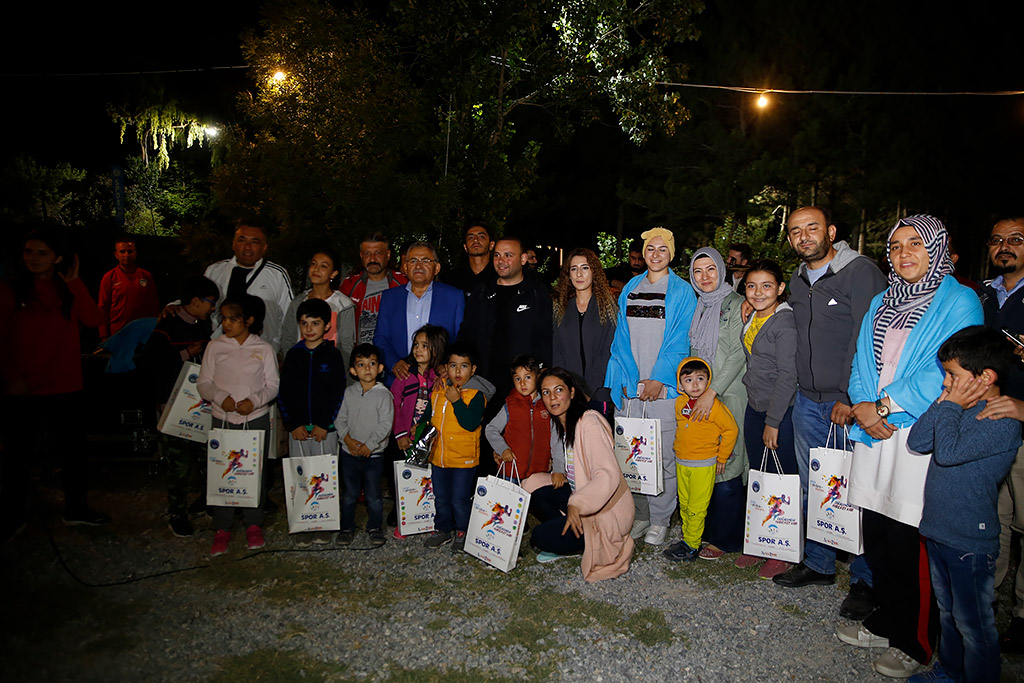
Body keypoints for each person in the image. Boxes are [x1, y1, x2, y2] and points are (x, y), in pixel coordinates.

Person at [836, 214, 982, 678]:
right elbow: (862, 357)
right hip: (873, 430)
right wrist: (863, 405)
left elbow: (950, 368)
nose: (903, 254)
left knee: (910, 538)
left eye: (915, 243)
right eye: (895, 247)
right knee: (877, 531)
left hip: (917, 433)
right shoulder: (883, 300)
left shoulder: (960, 300)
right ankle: (887, 617)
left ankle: (916, 641)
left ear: (937, 247)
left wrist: (883, 405)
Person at [773, 206, 886, 624]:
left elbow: (871, 337)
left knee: (855, 491)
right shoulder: (798, 280)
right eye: (795, 231)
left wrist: (849, 395)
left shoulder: (861, 272)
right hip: (807, 400)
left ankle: (865, 580)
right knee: (815, 487)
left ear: (831, 231)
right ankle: (819, 563)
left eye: (812, 229)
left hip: (846, 405)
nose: (803, 237)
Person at [906, 325, 1022, 683]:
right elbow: (919, 440)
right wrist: (944, 402)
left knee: (975, 625)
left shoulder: (1001, 420)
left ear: (985, 378)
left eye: (953, 376)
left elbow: (950, 451)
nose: (947, 383)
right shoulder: (953, 407)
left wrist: (951, 407)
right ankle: (950, 673)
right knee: (948, 612)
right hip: (940, 530)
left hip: (970, 541)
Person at [0, 229, 108, 530]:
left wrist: (74, 283)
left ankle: (76, 509)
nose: (33, 258)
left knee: (73, 453)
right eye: (29, 252)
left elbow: (93, 320)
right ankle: (12, 515)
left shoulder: (66, 289)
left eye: (42, 252)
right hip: (24, 388)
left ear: (57, 257)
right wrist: (11, 376)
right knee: (18, 455)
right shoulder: (11, 290)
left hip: (65, 385)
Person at [604, 227, 697, 546]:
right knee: (632, 459)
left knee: (662, 458)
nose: (655, 254)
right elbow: (621, 339)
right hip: (632, 391)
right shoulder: (631, 287)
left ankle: (660, 518)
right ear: (643, 253)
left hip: (663, 390)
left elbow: (680, 340)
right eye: (650, 249)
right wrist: (628, 378)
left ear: (672, 253)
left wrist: (660, 379)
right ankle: (641, 515)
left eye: (662, 249)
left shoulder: (682, 292)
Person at [522, 368, 634, 580]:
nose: (552, 397)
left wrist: (578, 503)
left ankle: (583, 538)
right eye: (546, 392)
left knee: (539, 536)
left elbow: (606, 474)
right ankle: (570, 527)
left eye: (558, 390)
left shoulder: (589, 422)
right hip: (582, 497)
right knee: (535, 490)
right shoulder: (563, 424)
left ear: (572, 392)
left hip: (606, 511)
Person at [197, 294, 280, 556]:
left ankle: (253, 523)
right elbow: (204, 383)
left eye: (233, 319)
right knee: (222, 470)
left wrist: (254, 401)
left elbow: (273, 385)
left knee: (253, 471)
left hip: (254, 419)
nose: (227, 324)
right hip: (222, 418)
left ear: (249, 320)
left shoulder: (264, 349)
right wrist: (222, 398)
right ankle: (222, 526)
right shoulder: (215, 347)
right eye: (223, 318)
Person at [139, 275, 219, 537]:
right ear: (195, 301)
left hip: (200, 406)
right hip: (174, 407)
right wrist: (186, 353)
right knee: (178, 463)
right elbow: (152, 364)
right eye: (210, 302)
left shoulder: (202, 325)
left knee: (207, 457)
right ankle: (177, 512)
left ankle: (206, 502)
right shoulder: (166, 326)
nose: (213, 308)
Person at [736, 259, 799, 578]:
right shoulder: (756, 316)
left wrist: (774, 421)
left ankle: (784, 550)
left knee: (783, 478)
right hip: (754, 406)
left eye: (766, 286)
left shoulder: (784, 323)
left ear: (780, 288)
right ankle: (760, 542)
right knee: (760, 475)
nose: (758, 292)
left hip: (779, 412)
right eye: (751, 286)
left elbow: (788, 375)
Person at [979, 216, 1024, 652]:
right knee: (996, 521)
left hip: (1022, 426)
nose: (1004, 246)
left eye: (1016, 240)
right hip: (985, 423)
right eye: (997, 240)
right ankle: (985, 603)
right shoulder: (986, 294)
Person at [685, 247, 748, 559]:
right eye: (698, 271)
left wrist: (713, 390)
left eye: (711, 269)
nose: (705, 277)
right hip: (702, 394)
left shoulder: (736, 304)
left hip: (728, 393)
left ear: (722, 270)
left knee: (729, 463)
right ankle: (711, 529)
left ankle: (728, 539)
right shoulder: (700, 305)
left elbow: (738, 352)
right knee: (710, 461)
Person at [277, 298, 348, 547]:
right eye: (304, 323)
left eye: (315, 323)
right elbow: (283, 393)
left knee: (325, 475)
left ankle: (326, 522)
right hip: (297, 430)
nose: (309, 328)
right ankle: (303, 523)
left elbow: (338, 392)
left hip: (324, 430)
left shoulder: (333, 355)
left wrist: (324, 422)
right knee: (301, 474)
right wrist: (292, 423)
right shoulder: (293, 355)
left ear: (327, 325)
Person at [662, 357, 738, 562]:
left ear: (708, 381)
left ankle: (692, 546)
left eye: (700, 378)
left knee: (696, 507)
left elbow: (731, 430)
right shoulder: (680, 403)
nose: (695, 384)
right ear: (680, 384)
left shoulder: (714, 407)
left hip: (703, 465)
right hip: (682, 462)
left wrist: (722, 456)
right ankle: (688, 537)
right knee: (685, 504)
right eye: (688, 380)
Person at [458, 235, 553, 399]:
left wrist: (541, 372)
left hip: (522, 386)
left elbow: (545, 337)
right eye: (497, 255)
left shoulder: (537, 294)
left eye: (508, 255)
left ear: (523, 259)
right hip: (483, 384)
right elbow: (467, 335)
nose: (501, 260)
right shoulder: (481, 293)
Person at [423, 342, 494, 552]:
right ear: (446, 367)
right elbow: (430, 414)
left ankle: (463, 531)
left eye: (463, 366)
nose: (457, 371)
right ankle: (442, 529)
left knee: (459, 499)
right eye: (453, 365)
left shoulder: (476, 395)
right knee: (441, 497)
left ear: (473, 369)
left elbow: (470, 423)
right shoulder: (439, 390)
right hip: (439, 457)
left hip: (464, 459)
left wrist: (456, 402)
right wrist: (418, 428)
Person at [373, 241, 464, 382]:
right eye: (413, 260)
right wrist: (393, 363)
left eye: (425, 261)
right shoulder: (389, 298)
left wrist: (447, 364)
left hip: (439, 380)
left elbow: (461, 339)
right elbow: (380, 338)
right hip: (400, 379)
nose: (418, 266)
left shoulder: (454, 297)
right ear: (405, 267)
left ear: (437, 268)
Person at [390, 324, 449, 538]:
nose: (418, 349)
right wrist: (400, 434)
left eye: (425, 345)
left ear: (437, 349)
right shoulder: (403, 376)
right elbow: (394, 405)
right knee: (406, 481)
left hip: (430, 439)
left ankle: (427, 519)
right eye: (416, 344)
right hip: (406, 439)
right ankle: (404, 523)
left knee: (428, 482)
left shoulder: (439, 377)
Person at [201, 220, 293, 353]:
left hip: (261, 352)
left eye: (254, 242)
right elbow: (196, 301)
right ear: (233, 243)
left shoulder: (277, 275)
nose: (247, 247)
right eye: (242, 240)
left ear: (264, 246)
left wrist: (284, 352)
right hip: (220, 349)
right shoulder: (215, 271)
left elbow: (289, 317)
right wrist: (174, 307)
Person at [336, 343, 394, 548]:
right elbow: (340, 420)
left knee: (374, 495)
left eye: (372, 363)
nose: (367, 368)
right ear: (353, 370)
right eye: (361, 364)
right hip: (349, 453)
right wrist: (349, 441)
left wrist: (369, 445)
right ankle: (346, 527)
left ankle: (374, 527)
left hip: (374, 455)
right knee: (350, 493)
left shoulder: (384, 395)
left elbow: (385, 425)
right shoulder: (348, 393)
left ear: (380, 368)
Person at [552, 247, 617, 411]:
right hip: (567, 392)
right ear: (568, 275)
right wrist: (568, 387)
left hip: (599, 391)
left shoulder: (607, 308)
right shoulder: (560, 309)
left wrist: (587, 390)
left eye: (585, 268)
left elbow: (609, 352)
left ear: (594, 272)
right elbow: (557, 352)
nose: (579, 274)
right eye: (574, 269)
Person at [281, 249, 356, 366]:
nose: (316, 269)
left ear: (334, 273)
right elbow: (288, 338)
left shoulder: (344, 305)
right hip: (300, 367)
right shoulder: (298, 302)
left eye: (323, 266)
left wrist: (337, 370)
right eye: (314, 264)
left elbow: (346, 345)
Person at [485, 355, 552, 483]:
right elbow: (491, 429)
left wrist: (556, 462)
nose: (522, 383)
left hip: (538, 474)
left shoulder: (547, 405)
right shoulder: (510, 405)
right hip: (510, 472)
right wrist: (502, 449)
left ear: (538, 376)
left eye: (527, 377)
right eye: (517, 379)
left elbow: (555, 437)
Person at [339, 232, 407, 345]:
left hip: (394, 355)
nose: (372, 259)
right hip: (360, 357)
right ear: (361, 255)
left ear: (388, 254)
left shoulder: (403, 283)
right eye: (367, 254)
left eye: (378, 253)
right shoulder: (349, 285)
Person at [97, 237, 160, 340]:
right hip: (118, 334)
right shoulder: (109, 277)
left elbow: (153, 305)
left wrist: (154, 330)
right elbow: (102, 308)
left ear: (135, 253)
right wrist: (104, 335)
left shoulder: (146, 276)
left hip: (142, 334)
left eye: (129, 251)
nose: (126, 255)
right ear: (116, 255)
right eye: (122, 251)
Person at [447, 221, 496, 298]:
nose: (475, 240)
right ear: (465, 247)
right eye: (471, 237)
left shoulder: (500, 277)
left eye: (481, 236)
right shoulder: (451, 280)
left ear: (491, 245)